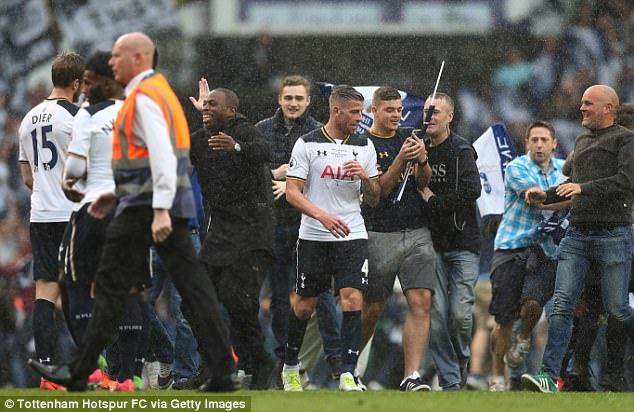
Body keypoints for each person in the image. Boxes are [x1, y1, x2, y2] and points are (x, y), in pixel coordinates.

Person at [29, 32, 236, 392]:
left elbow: (161, 152)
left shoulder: (141, 96)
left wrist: (157, 209)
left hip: (152, 208)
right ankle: (216, 370)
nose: (113, 62)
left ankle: (97, 371)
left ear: (138, 58)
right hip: (150, 205)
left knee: (115, 287)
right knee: (177, 290)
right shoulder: (152, 93)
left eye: (118, 56)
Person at [522, 85, 634, 393]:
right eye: (582, 103)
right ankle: (549, 376)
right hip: (577, 235)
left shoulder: (626, 141)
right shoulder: (583, 141)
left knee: (617, 311)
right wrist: (545, 195)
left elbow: (626, 181)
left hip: (613, 234)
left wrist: (583, 189)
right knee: (562, 305)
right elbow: (572, 183)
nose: (581, 108)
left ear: (608, 109)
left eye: (588, 104)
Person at [281, 85, 381, 392]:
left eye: (361, 112)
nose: (359, 118)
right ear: (336, 110)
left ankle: (348, 373)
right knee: (304, 305)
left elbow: (375, 198)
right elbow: (291, 192)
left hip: (352, 233)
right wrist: (321, 216)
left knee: (353, 299)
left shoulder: (364, 146)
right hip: (314, 235)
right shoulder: (307, 144)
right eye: (354, 112)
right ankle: (289, 366)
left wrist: (366, 179)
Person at [255, 75, 343, 384]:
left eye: (299, 98)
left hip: (311, 227)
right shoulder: (261, 130)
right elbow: (247, 176)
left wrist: (291, 184)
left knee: (321, 296)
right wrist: (272, 177)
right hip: (275, 227)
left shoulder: (321, 133)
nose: (293, 103)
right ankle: (284, 362)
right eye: (288, 98)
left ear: (308, 101)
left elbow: (330, 180)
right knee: (279, 299)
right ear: (279, 99)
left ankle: (337, 362)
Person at [190, 87, 276, 390]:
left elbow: (265, 151)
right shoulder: (199, 140)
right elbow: (175, 155)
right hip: (221, 230)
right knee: (197, 299)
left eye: (214, 104)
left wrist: (237, 147)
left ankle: (262, 362)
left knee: (234, 297)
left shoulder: (243, 130)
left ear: (231, 111)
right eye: (204, 105)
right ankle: (211, 368)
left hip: (253, 229)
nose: (206, 108)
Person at [358, 86, 434, 391]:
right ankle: (349, 368)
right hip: (379, 232)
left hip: (416, 231)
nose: (396, 116)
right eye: (389, 110)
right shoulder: (363, 145)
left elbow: (423, 182)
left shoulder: (409, 137)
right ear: (372, 111)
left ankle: (411, 376)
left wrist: (423, 160)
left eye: (399, 110)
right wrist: (401, 159)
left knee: (421, 301)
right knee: (373, 308)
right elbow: (379, 194)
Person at [18, 51, 84, 390]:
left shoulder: (28, 118)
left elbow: (27, 176)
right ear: (76, 83)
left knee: (45, 290)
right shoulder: (76, 117)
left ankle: (45, 368)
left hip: (41, 214)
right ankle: (92, 369)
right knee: (80, 290)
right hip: (72, 214)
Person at [487, 121, 568, 391]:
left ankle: (524, 337)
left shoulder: (564, 169)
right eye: (534, 140)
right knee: (504, 317)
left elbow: (554, 197)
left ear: (554, 143)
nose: (539, 145)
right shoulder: (517, 167)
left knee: (534, 303)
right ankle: (498, 375)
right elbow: (536, 197)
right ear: (527, 144)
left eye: (545, 140)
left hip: (545, 250)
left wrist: (569, 195)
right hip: (512, 247)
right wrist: (574, 197)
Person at [418, 92, 482, 390]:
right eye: (426, 111)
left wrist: (434, 201)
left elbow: (472, 190)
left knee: (459, 315)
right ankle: (450, 381)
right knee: (437, 316)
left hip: (463, 243)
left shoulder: (461, 149)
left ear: (450, 117)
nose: (429, 116)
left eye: (435, 111)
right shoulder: (417, 149)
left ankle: (461, 360)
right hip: (430, 244)